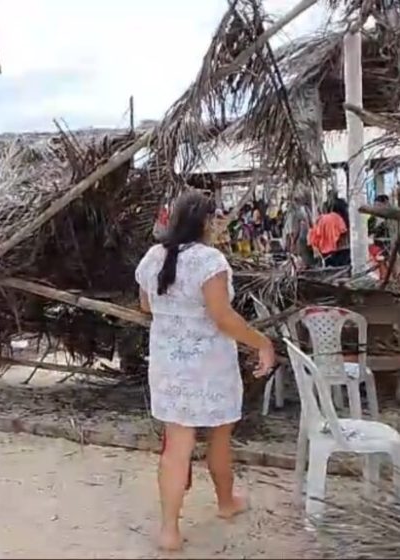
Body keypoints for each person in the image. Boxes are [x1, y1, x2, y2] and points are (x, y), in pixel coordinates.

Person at [134, 191, 275, 551]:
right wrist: (261, 342)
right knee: (219, 439)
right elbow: (223, 317)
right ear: (207, 222)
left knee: (176, 448)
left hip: (169, 367)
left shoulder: (153, 257)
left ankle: (169, 530)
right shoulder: (209, 261)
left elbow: (146, 305)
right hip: (210, 367)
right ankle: (227, 503)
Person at [308, 200, 350, 267]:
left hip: (325, 253)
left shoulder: (319, 220)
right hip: (338, 251)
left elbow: (312, 239)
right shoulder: (337, 218)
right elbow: (343, 231)